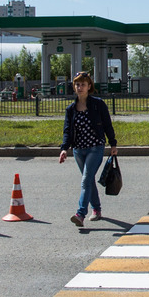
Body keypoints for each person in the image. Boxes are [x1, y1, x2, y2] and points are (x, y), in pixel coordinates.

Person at [57, 70, 118, 226]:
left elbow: (107, 124)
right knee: (88, 180)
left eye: (83, 84)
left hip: (95, 147)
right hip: (78, 150)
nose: (80, 87)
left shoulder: (98, 104)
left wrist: (113, 144)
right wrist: (64, 149)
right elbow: (67, 131)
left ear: (89, 86)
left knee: (85, 180)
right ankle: (96, 209)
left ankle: (80, 214)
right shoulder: (71, 109)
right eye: (77, 84)